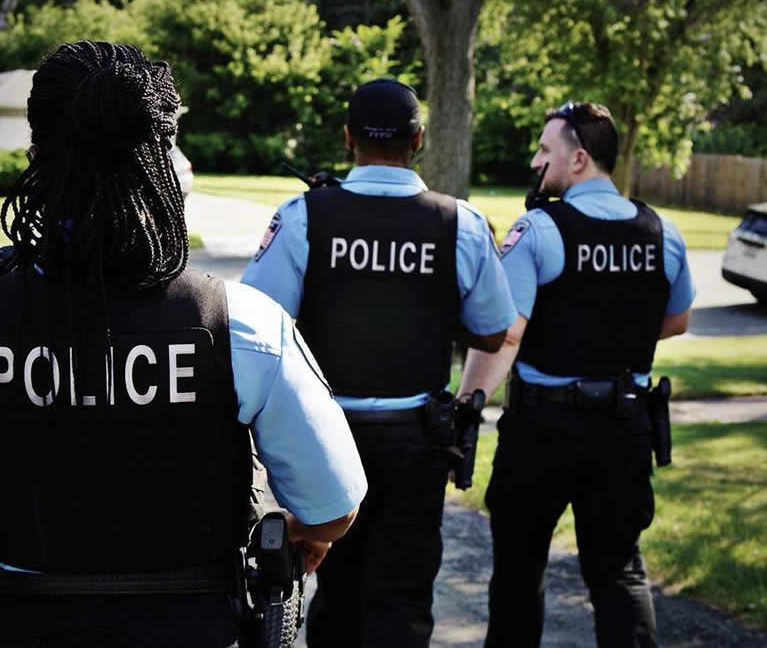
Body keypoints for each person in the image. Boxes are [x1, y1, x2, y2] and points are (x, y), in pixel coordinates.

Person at [0, 41, 367, 648]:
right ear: (165, 157)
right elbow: (332, 509)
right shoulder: (243, 323)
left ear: (36, 152)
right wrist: (303, 531)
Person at [241, 78, 517, 648]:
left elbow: (260, 322)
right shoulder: (460, 223)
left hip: (327, 432)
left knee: (335, 591)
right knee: (404, 595)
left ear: (348, 139)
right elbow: (494, 334)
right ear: (418, 139)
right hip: (416, 439)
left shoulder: (303, 216)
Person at [458, 101, 695, 648]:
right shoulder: (663, 231)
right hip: (626, 427)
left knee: (519, 574)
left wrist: (467, 405)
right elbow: (676, 320)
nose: (536, 160)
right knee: (620, 573)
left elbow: (506, 333)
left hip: (545, 432)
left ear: (580, 159)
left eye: (546, 150)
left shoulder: (540, 229)